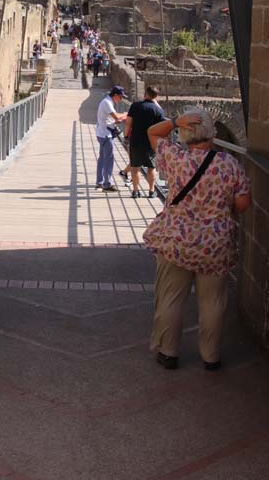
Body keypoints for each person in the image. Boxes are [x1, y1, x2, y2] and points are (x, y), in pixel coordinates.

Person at [143, 107, 251, 371]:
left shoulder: (175, 157)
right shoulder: (230, 165)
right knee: (213, 302)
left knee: (171, 298)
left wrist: (174, 122)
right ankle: (210, 356)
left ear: (185, 133)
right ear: (212, 133)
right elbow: (242, 204)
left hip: (177, 242)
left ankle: (168, 352)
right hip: (215, 244)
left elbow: (151, 133)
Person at [124, 85, 166, 199]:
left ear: (145, 94)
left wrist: (125, 136)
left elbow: (128, 123)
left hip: (136, 141)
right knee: (151, 167)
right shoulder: (158, 110)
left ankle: (136, 191)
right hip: (151, 143)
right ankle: (152, 191)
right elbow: (162, 126)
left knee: (135, 167)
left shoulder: (135, 106)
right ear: (156, 96)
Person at [95, 86, 128, 192]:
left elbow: (111, 119)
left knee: (102, 158)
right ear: (115, 95)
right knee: (109, 159)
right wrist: (126, 114)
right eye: (121, 97)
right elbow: (117, 117)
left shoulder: (107, 101)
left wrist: (118, 119)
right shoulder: (107, 103)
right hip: (105, 134)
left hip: (102, 132)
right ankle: (107, 184)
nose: (121, 99)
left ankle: (99, 182)